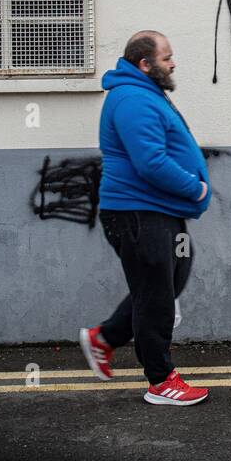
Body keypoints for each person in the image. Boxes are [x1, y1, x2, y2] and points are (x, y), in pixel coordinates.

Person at [80, 31, 212, 406]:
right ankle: (161, 381)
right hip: (137, 213)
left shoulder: (144, 94)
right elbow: (150, 162)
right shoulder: (133, 99)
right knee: (155, 296)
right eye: (167, 57)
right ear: (145, 63)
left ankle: (103, 338)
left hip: (159, 212)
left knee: (171, 279)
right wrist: (195, 188)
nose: (173, 63)